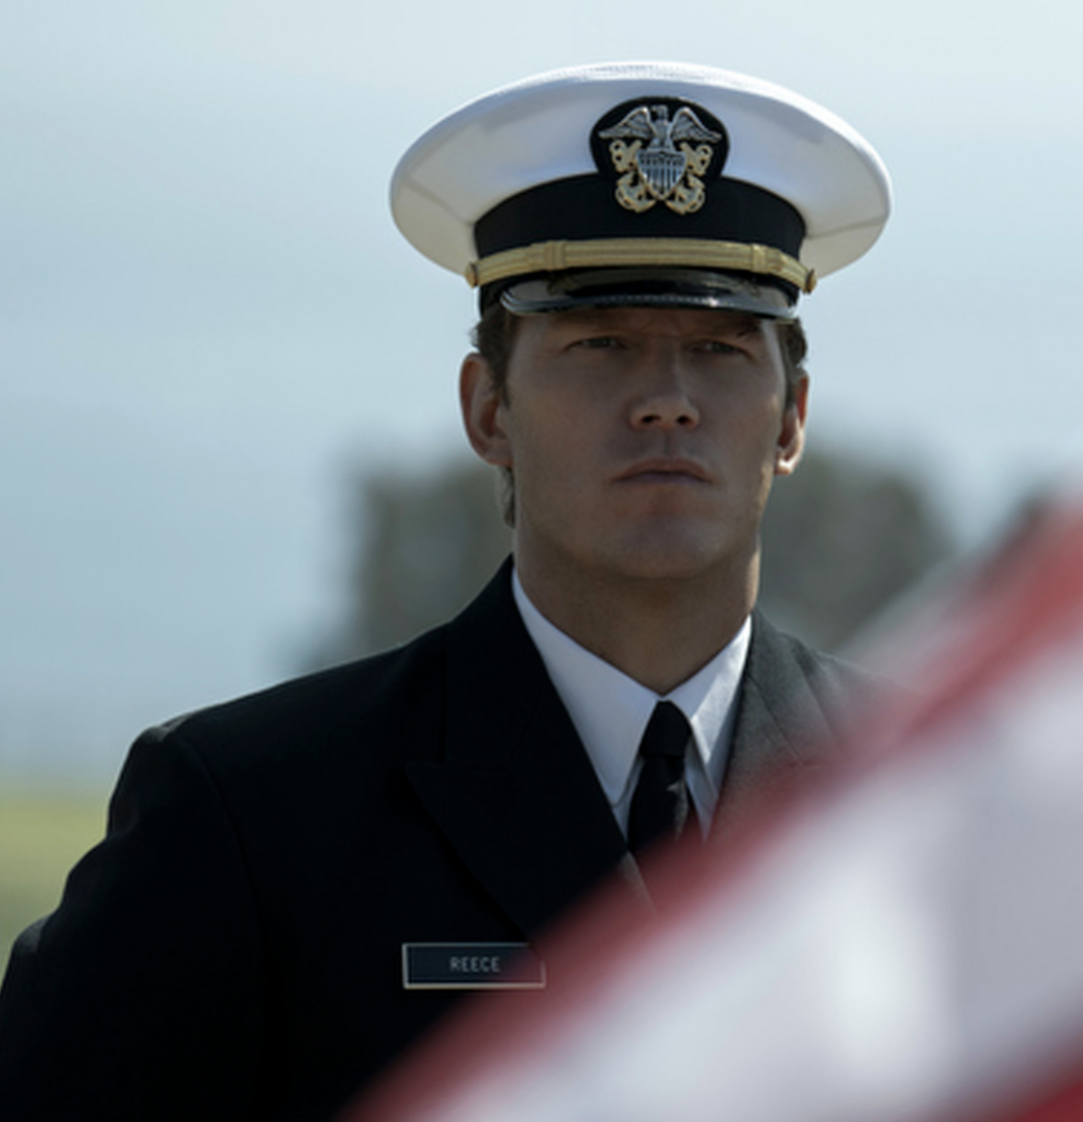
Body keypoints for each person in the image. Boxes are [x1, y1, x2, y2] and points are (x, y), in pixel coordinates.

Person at [0, 62, 892, 1120]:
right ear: (488, 411)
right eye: (598, 346)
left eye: (718, 348)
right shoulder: (247, 814)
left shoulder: (919, 792)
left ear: (790, 418)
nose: (664, 402)